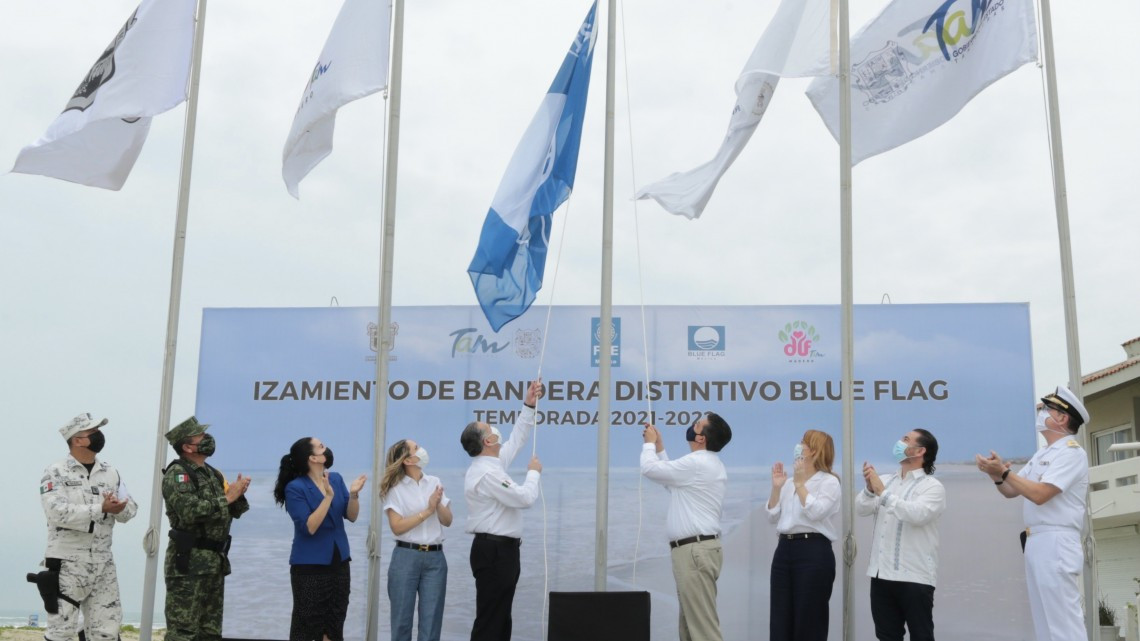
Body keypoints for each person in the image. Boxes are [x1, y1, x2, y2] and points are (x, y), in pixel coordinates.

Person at [976, 385, 1090, 641]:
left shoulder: (1071, 453)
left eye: (1047, 409)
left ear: (1062, 418)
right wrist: (996, 474)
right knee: (1045, 623)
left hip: (1057, 541)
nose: (1041, 411)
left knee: (1063, 623)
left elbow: (1040, 494)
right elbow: (1010, 491)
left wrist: (1006, 473)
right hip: (1037, 541)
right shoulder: (1043, 454)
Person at [39, 413, 138, 641]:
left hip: (103, 564)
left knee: (107, 632)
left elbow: (130, 509)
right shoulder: (56, 472)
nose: (99, 436)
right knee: (61, 632)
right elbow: (56, 512)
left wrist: (118, 508)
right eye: (93, 432)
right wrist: (100, 508)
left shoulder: (111, 472)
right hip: (67, 563)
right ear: (77, 440)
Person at [460, 378, 545, 641]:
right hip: (493, 551)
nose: (496, 431)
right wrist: (533, 474)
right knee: (491, 619)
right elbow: (524, 498)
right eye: (491, 430)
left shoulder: (493, 463)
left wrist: (529, 405)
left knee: (500, 616)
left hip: (502, 550)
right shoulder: (487, 474)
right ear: (487, 441)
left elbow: (517, 439)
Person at [641, 414, 733, 641]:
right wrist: (660, 448)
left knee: (703, 630)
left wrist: (649, 445)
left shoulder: (698, 463)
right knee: (690, 629)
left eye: (697, 425)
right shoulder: (703, 465)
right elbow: (672, 484)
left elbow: (649, 470)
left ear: (701, 438)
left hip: (694, 552)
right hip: (696, 551)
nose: (692, 426)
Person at [162, 416, 251, 641]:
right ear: (187, 447)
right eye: (201, 436)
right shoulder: (178, 474)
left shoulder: (212, 473)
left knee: (210, 632)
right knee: (184, 631)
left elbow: (235, 511)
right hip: (189, 560)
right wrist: (228, 498)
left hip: (214, 561)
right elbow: (191, 512)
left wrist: (237, 494)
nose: (207, 439)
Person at [274, 437, 367, 641]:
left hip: (339, 561)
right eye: (321, 446)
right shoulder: (295, 488)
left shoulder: (335, 478)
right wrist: (327, 497)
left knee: (335, 621)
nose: (327, 448)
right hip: (309, 567)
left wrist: (353, 495)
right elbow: (309, 527)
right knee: (308, 626)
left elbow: (351, 516)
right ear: (313, 458)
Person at [857, 429, 946, 641]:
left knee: (921, 635)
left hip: (914, 576)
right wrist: (870, 489)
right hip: (881, 574)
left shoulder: (932, 486)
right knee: (887, 636)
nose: (899, 442)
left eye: (906, 440)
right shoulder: (886, 481)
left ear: (920, 450)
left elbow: (917, 514)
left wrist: (883, 494)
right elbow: (861, 509)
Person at [766, 429, 841, 641]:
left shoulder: (829, 481)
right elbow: (772, 516)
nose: (799, 446)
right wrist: (776, 488)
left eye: (803, 443)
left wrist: (800, 485)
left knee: (809, 620)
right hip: (784, 550)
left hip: (813, 551)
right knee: (780, 619)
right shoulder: (789, 482)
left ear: (815, 451)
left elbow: (816, 512)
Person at [381, 439, 453, 641]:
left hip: (435, 558)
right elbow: (397, 526)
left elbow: (447, 521)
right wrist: (427, 511)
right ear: (407, 460)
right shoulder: (394, 489)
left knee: (431, 624)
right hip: (406, 556)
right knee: (402, 622)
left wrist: (437, 505)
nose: (422, 450)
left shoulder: (434, 482)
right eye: (416, 448)